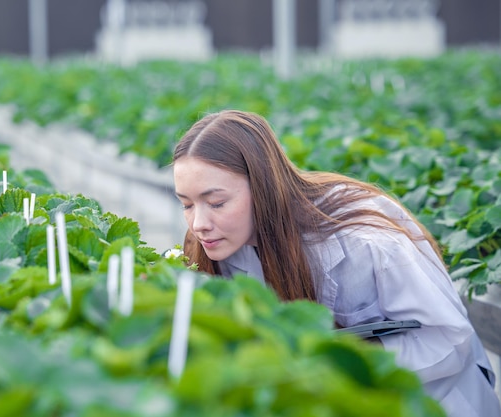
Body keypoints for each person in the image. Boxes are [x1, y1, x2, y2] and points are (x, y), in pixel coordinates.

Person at [172, 109, 500, 417]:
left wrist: (330, 364)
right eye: (187, 204)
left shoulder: (365, 243)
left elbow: (446, 339)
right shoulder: (219, 246)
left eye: (216, 202)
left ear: (263, 187)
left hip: (434, 400)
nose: (199, 222)